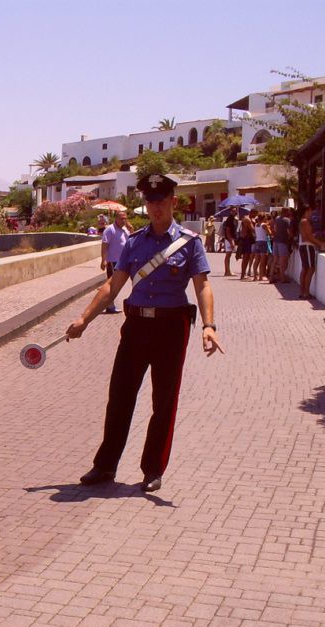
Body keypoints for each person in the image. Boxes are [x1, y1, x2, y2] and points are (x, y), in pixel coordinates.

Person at [67, 172, 224, 494]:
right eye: (150, 201)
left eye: (161, 201)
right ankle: (105, 465)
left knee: (163, 402)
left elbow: (203, 285)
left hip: (171, 326)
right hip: (136, 325)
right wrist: (85, 319)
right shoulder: (135, 242)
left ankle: (153, 468)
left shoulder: (189, 243)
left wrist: (209, 326)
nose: (155, 207)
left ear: (172, 202)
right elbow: (113, 285)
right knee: (120, 397)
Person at [100, 210, 130, 314]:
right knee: (112, 285)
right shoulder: (110, 230)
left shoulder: (125, 229)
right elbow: (104, 245)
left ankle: (111, 304)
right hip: (113, 261)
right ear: (116, 218)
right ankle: (109, 306)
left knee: (117, 285)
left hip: (123, 261)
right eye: (122, 218)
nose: (124, 220)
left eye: (125, 218)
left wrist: (131, 229)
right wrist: (103, 260)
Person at [298, 203, 325, 299]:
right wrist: (320, 243)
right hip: (307, 246)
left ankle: (302, 291)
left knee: (305, 269)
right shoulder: (305, 221)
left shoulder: (302, 221)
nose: (312, 213)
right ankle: (306, 292)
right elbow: (308, 237)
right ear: (307, 210)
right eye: (310, 211)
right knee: (310, 268)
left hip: (304, 246)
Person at [270, 208, 292, 283]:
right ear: (286, 212)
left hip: (275, 241)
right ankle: (282, 278)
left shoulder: (277, 218)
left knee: (275, 260)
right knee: (283, 261)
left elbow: (275, 229)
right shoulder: (287, 220)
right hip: (283, 241)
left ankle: (271, 277)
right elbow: (289, 231)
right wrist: (290, 237)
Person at [221, 210, 237, 277]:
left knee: (229, 255)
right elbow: (228, 231)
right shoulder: (229, 220)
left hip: (230, 238)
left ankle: (228, 271)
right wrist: (231, 241)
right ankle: (227, 271)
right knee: (228, 255)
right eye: (233, 211)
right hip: (229, 239)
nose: (235, 212)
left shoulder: (233, 219)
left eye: (235, 211)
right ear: (230, 211)